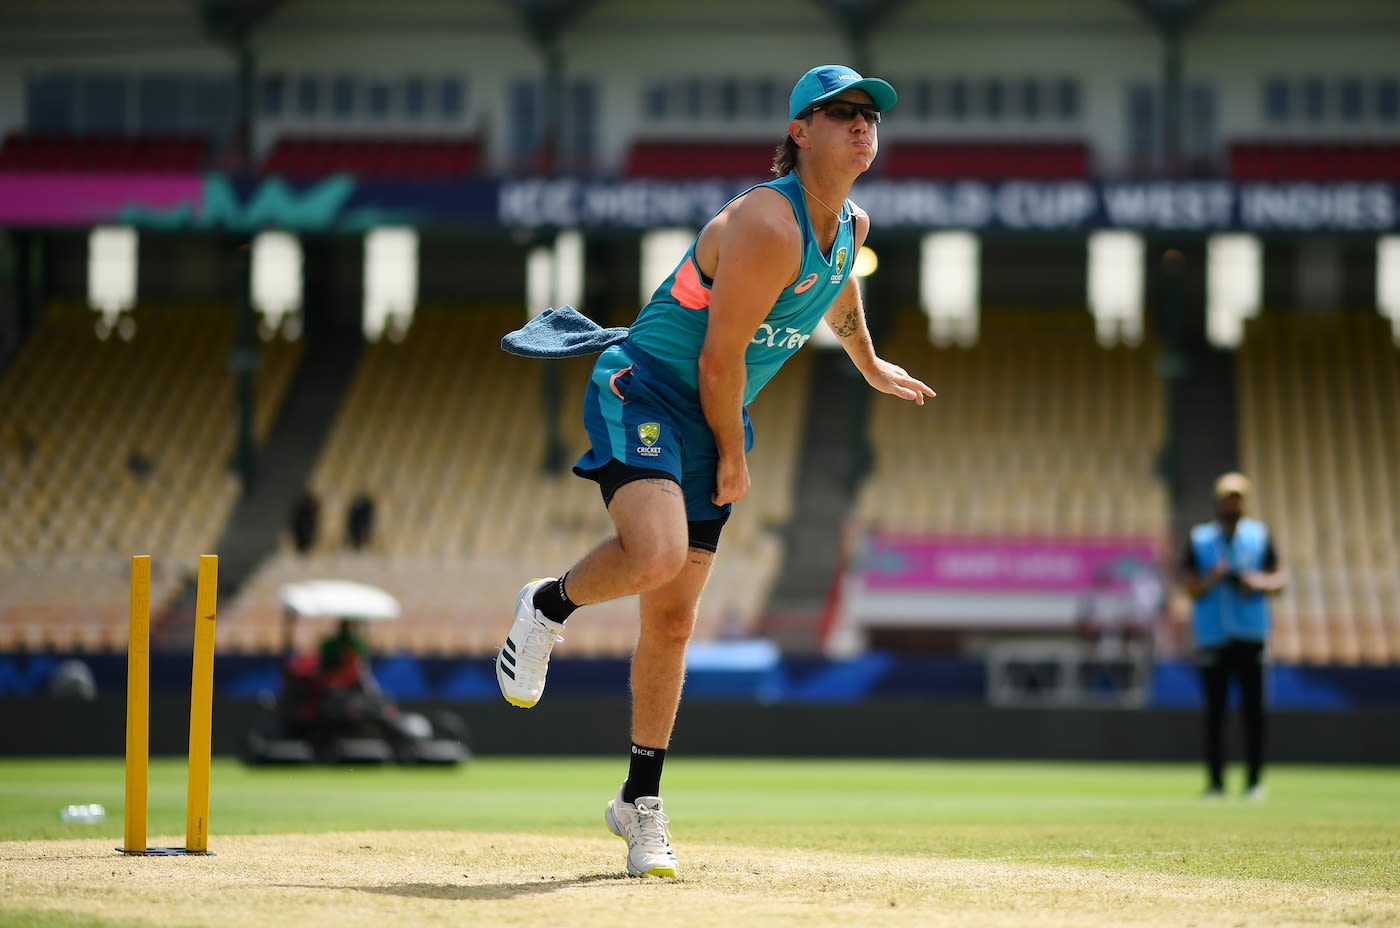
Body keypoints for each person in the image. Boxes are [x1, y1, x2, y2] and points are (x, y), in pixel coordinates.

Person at [495, 65, 934, 878]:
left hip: (712, 406)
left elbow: (836, 294)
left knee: (672, 622)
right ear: (799, 133)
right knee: (658, 555)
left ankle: (640, 803)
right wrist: (733, 454)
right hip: (650, 385)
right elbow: (721, 358)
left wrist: (869, 362)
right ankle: (546, 605)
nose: (862, 124)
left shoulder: (853, 226)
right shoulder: (768, 219)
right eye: (841, 113)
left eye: (869, 115)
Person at [1180, 472, 1287, 801]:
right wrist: (1212, 579)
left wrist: (1257, 583)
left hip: (1251, 634)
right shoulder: (1199, 539)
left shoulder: (1259, 536)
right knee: (1215, 714)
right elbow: (1190, 587)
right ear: (1218, 501)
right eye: (1228, 497)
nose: (1233, 503)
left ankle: (1254, 782)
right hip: (1213, 635)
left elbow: (1279, 580)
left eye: (1238, 497)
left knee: (1254, 713)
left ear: (1245, 501)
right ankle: (1216, 784)